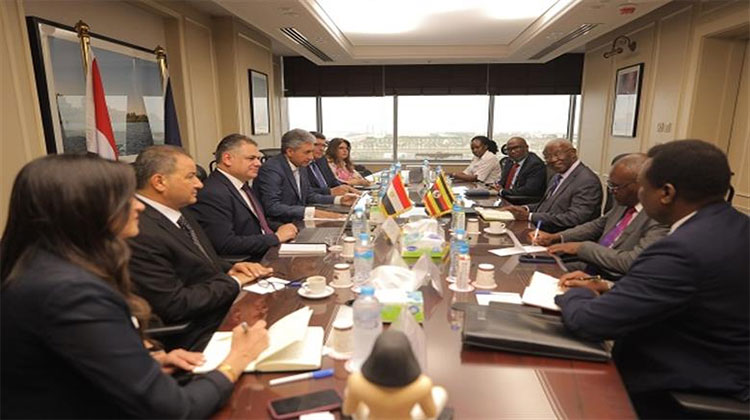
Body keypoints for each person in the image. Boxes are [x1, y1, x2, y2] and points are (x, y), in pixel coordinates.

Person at [0, 154, 269, 418]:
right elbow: (176, 410)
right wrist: (237, 359)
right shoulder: (70, 292)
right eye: (125, 197)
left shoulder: (45, 267)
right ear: (85, 209)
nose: (139, 206)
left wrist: (149, 362)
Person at [555, 140, 749, 418]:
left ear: (666, 193)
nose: (640, 196)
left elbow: (590, 322)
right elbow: (686, 291)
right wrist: (607, 285)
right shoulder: (735, 226)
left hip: (677, 390)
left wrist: (572, 291)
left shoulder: (682, 249)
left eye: (643, 188)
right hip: (726, 368)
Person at [128, 145, 272, 351]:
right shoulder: (139, 230)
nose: (199, 184)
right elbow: (175, 305)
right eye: (190, 177)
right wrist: (233, 281)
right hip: (196, 334)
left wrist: (230, 268)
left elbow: (197, 259)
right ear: (159, 182)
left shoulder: (178, 210)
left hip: (220, 309)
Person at [532, 154, 668, 279]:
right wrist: (556, 237)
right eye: (610, 185)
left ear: (641, 185)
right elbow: (597, 225)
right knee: (534, 270)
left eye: (615, 186)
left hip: (614, 278)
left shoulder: (660, 217)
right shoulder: (624, 203)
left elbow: (631, 262)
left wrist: (582, 248)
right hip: (592, 267)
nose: (611, 191)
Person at [188, 134, 298, 260]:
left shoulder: (242, 185)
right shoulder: (213, 193)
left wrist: (281, 227)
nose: (258, 164)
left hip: (267, 250)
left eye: (258, 158)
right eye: (251, 158)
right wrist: (276, 238)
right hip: (251, 261)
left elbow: (257, 221)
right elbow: (225, 243)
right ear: (227, 159)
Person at [255, 128, 357, 223]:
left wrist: (339, 200)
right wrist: (313, 213)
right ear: (290, 151)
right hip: (281, 225)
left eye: (312, 152)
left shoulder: (301, 165)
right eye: (307, 152)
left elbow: (309, 195)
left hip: (300, 220)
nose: (311, 157)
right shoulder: (272, 169)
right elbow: (272, 207)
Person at [504, 139, 602, 232]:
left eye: (557, 154)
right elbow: (547, 205)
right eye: (547, 157)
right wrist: (525, 208)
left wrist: (529, 216)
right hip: (540, 228)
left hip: (561, 236)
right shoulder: (557, 176)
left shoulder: (587, 180)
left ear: (573, 153)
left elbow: (574, 218)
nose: (552, 160)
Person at [307, 131, 359, 196]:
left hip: (330, 197)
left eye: (323, 146)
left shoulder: (322, 160)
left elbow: (332, 181)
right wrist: (330, 191)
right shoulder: (302, 164)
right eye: (316, 145)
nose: (321, 149)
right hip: (317, 199)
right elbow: (306, 191)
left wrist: (348, 188)